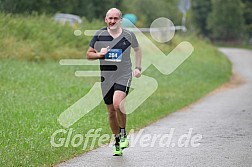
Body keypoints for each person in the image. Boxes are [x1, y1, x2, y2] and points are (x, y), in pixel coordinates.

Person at [86, 8, 142, 156]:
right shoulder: (100, 35)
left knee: (118, 104)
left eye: (115, 18)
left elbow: (137, 50)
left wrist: (137, 67)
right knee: (111, 112)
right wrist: (100, 54)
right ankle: (117, 141)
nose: (112, 21)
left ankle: (123, 134)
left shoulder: (128, 35)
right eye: (110, 18)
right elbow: (88, 54)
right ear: (106, 19)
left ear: (120, 20)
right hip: (106, 77)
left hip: (123, 74)